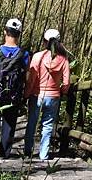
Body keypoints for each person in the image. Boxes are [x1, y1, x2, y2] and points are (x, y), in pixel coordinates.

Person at [0, 18, 29, 158]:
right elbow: (28, 76)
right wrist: (25, 92)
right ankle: (5, 151)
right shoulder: (23, 54)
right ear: (19, 34)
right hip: (14, 94)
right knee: (10, 121)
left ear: (5, 32)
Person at [24, 28, 70, 160]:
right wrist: (63, 91)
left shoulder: (38, 57)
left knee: (32, 123)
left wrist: (27, 93)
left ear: (45, 41)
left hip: (37, 95)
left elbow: (32, 79)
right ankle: (43, 154)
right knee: (48, 125)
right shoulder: (63, 59)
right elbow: (66, 82)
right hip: (53, 96)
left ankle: (28, 152)